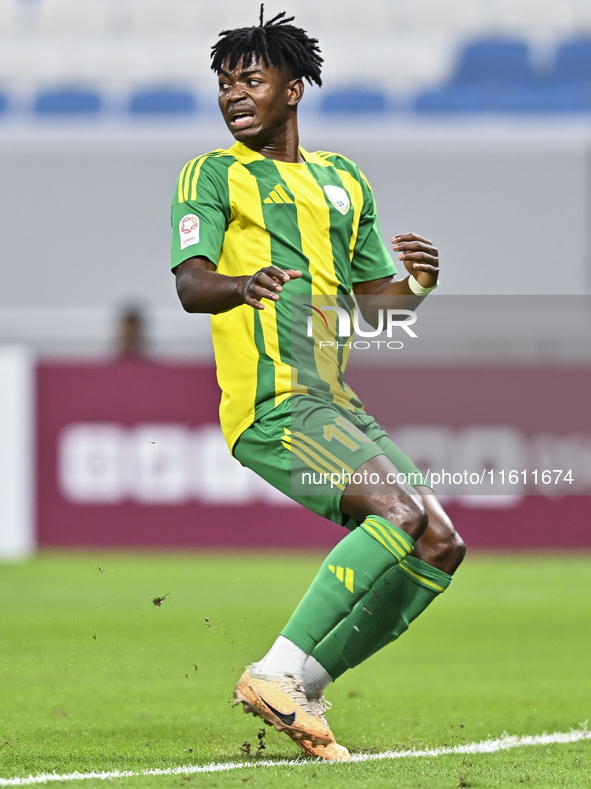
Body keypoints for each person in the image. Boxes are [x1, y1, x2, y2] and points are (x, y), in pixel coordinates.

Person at [171, 6, 465, 762]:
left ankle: (298, 683)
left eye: (251, 78)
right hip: (272, 403)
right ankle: (275, 668)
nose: (233, 93)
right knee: (397, 511)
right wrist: (241, 285)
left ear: (293, 89)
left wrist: (417, 286)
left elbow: (375, 311)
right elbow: (190, 283)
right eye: (223, 82)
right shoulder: (211, 174)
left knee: (439, 541)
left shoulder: (344, 180)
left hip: (336, 401)